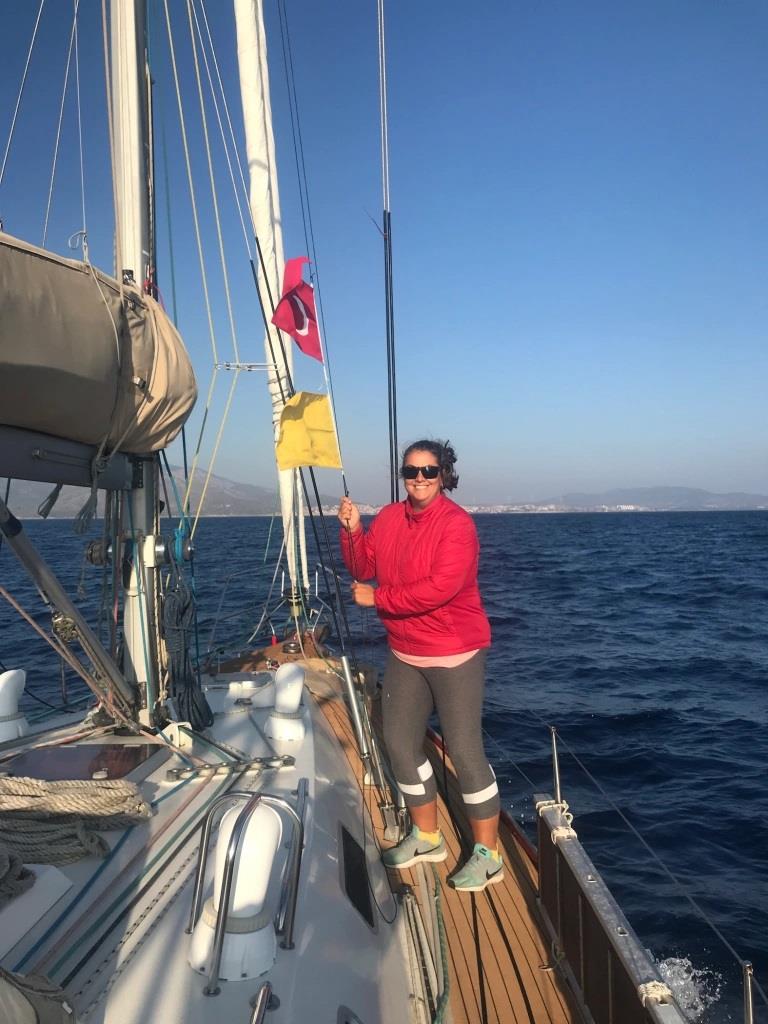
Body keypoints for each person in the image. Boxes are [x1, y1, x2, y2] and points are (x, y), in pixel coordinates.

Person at [338, 439, 502, 892]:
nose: (419, 479)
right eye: (411, 471)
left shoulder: (457, 526)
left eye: (429, 471)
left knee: (465, 753)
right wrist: (352, 531)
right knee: (399, 745)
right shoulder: (390, 518)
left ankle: (488, 855)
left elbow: (440, 589)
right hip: (406, 652)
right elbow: (363, 564)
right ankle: (427, 836)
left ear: (444, 475)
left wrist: (379, 599)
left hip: (455, 653)